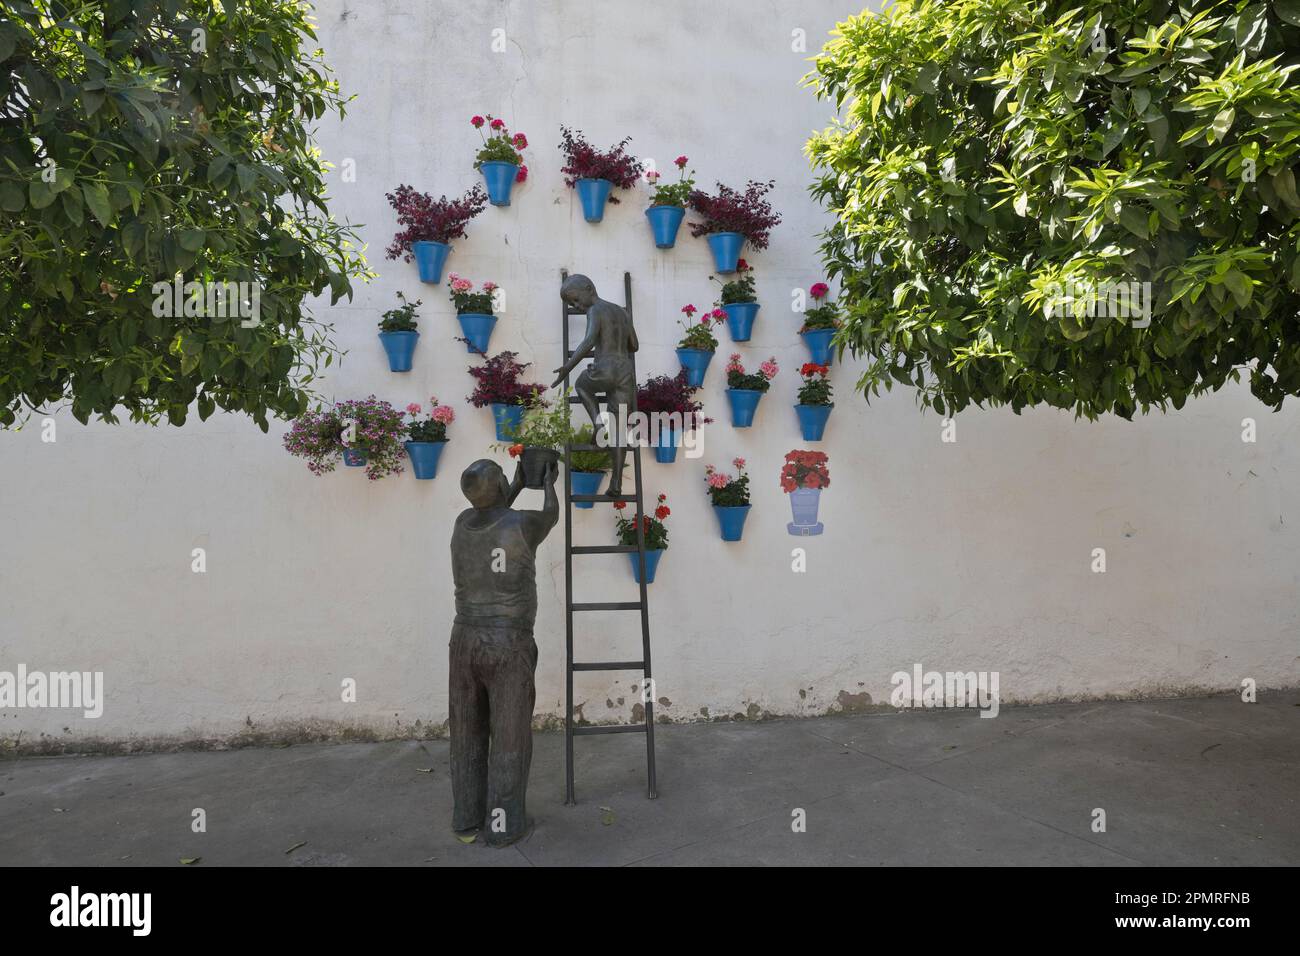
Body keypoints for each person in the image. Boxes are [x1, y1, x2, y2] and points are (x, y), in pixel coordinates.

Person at [448, 456, 559, 847]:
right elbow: (549, 516)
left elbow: (494, 510)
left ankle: (466, 816)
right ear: (498, 489)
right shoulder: (523, 524)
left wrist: (511, 484)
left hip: (463, 639)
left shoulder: (462, 523)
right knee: (509, 734)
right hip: (507, 642)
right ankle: (503, 823)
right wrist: (547, 482)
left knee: (466, 730)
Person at [552, 274, 638, 496]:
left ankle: (599, 425)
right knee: (620, 431)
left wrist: (567, 367)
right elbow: (634, 345)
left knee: (581, 385)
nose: (577, 306)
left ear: (589, 288)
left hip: (605, 367)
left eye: (576, 300)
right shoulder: (622, 312)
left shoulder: (595, 310)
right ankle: (616, 483)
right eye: (572, 304)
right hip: (625, 371)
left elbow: (589, 340)